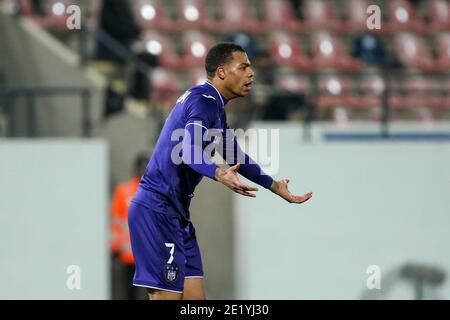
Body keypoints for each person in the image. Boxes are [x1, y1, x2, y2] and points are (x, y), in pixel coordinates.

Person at [128, 43, 313, 300]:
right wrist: (218, 173)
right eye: (244, 67)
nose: (252, 74)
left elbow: (235, 156)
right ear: (222, 72)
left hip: (177, 215)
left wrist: (273, 185)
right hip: (157, 210)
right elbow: (186, 148)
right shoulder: (202, 101)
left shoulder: (214, 106)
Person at [110, 153, 148, 300]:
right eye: (141, 166)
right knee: (129, 294)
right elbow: (116, 221)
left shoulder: (155, 191)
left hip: (148, 254)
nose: (143, 170)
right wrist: (114, 247)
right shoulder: (123, 190)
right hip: (127, 255)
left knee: (151, 294)